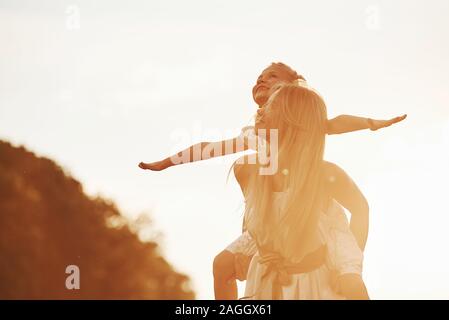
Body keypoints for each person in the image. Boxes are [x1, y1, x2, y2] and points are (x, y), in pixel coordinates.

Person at [139, 62, 404, 299]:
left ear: (292, 90)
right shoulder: (257, 138)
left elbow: (337, 123)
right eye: (259, 76)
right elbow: (209, 148)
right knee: (222, 264)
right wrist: (167, 162)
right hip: (270, 215)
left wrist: (371, 122)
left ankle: (344, 269)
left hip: (311, 212)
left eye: (272, 76)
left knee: (349, 283)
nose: (261, 80)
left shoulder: (307, 122)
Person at [241, 83, 368, 299]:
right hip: (265, 282)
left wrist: (347, 269)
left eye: (272, 105)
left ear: (293, 121)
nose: (260, 109)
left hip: (315, 286)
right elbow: (254, 223)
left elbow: (361, 209)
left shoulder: (324, 174)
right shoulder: (247, 171)